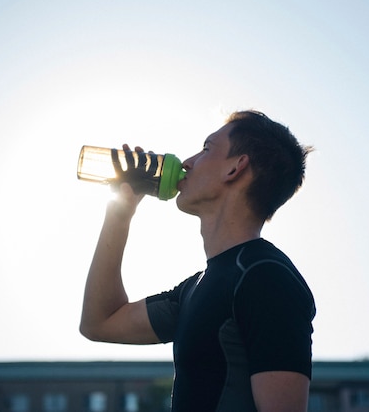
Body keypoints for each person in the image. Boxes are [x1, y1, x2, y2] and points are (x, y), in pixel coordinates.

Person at [80, 110, 316, 412]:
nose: (187, 162)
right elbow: (99, 323)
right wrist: (120, 211)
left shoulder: (266, 277)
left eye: (206, 149)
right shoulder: (194, 289)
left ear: (235, 168)